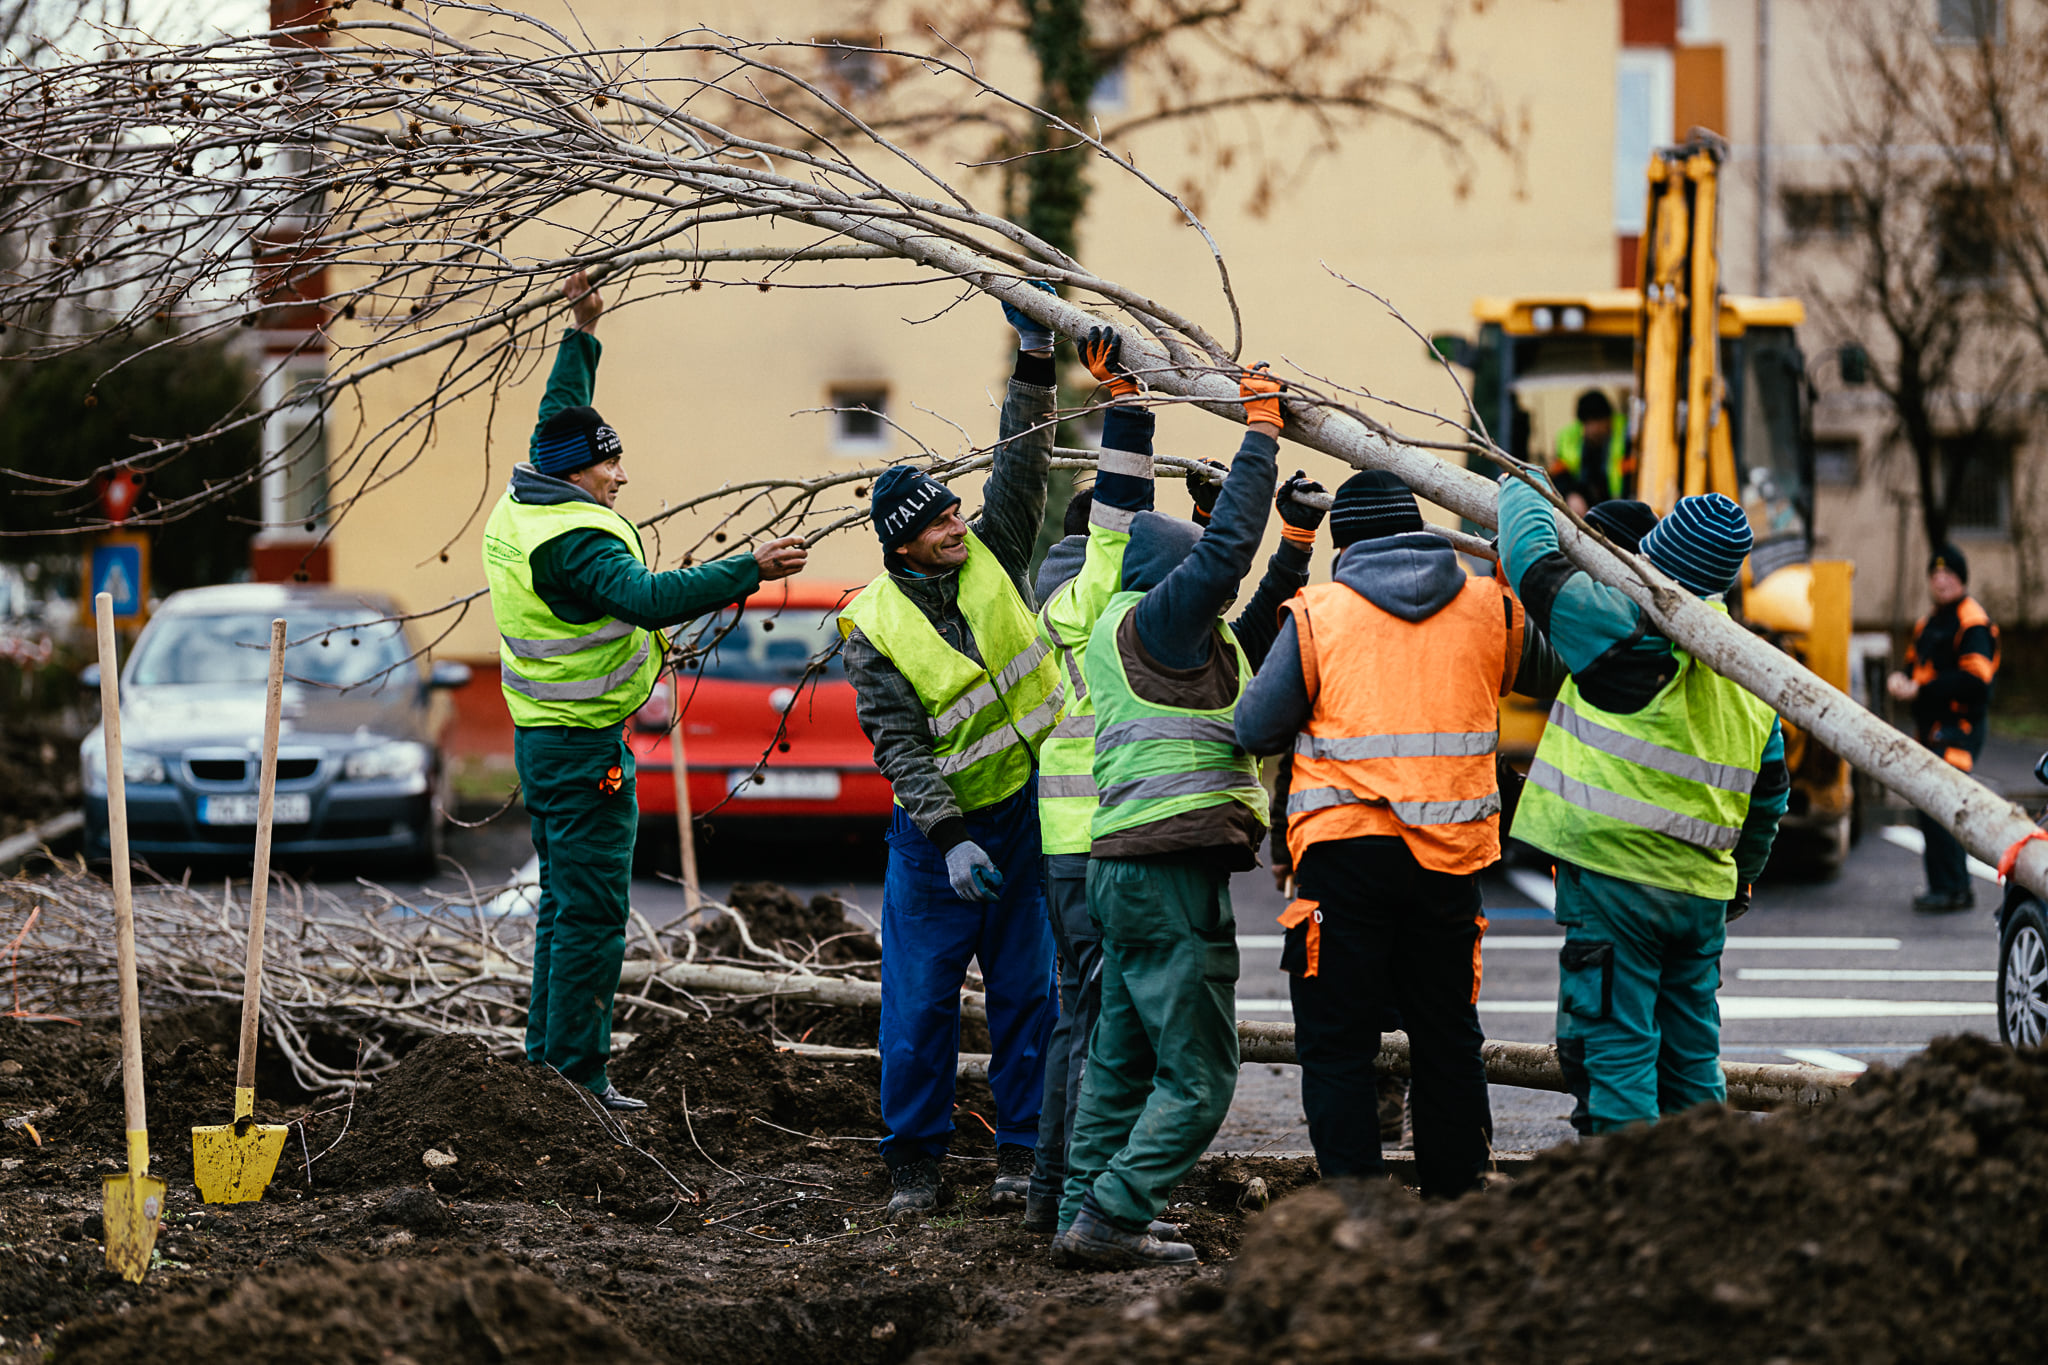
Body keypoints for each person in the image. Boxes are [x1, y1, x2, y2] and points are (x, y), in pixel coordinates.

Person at [482, 271, 807, 1109]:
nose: (622, 474)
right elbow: (649, 599)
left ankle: (546, 1065)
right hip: (583, 747)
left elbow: (559, 412)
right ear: (581, 474)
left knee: (563, 904)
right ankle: (579, 1075)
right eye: (610, 461)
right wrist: (751, 567)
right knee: (590, 912)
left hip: (545, 738)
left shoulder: (529, 502)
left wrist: (583, 331)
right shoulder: (574, 546)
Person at [1027, 331, 1324, 1237]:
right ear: (1173, 578)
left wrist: (1298, 539)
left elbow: (1260, 624)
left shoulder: (1148, 630)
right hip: (1165, 867)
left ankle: (1084, 1207)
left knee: (1117, 1057)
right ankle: (1116, 1214)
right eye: (1193, 565)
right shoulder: (1157, 619)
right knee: (1199, 1076)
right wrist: (1260, 432)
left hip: (1127, 865)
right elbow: (1222, 554)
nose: (1210, 580)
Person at [1235, 471, 1563, 1197]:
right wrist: (1515, 564)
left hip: (1340, 860)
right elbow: (1555, 667)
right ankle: (1457, 1192)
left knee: (1335, 1040)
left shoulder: (1319, 613)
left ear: (1343, 543)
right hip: (1450, 864)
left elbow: (1255, 727)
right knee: (1447, 1034)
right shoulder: (1489, 607)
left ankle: (1355, 1205)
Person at [837, 287, 1063, 1223]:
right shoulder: (874, 626)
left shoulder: (993, 552)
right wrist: (950, 832)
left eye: (955, 515)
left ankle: (1020, 1155)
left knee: (1028, 997)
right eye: (939, 524)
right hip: (941, 839)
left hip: (1030, 812)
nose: (959, 525)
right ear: (904, 545)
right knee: (922, 1006)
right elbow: (898, 740)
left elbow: (1022, 469)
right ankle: (915, 1165)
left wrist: (1036, 361)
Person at [1497, 473, 1789, 1134]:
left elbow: (1531, 564)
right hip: (1700, 896)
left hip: (1616, 881)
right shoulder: (1752, 668)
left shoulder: (1622, 626)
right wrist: (1740, 875)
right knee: (1691, 1062)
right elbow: (1769, 796)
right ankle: (1704, 1196)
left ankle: (1635, 1205)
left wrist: (1523, 483)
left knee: (1618, 1051)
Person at [1888, 543, 2001, 912]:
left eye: (1948, 574)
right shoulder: (1929, 622)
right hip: (1931, 729)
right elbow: (1913, 667)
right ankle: (1945, 886)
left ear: (1961, 579)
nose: (1940, 580)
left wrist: (1921, 688)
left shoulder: (1972, 621)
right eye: (1935, 574)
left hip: (1959, 728)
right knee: (1930, 803)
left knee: (1943, 804)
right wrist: (1900, 681)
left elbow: (1976, 681)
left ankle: (1955, 888)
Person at [1551, 390, 1629, 516]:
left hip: (1619, 508)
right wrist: (1571, 494)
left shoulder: (1626, 437)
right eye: (1590, 423)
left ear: (1609, 420)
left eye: (1599, 421)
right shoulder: (1568, 439)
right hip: (1584, 510)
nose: (1595, 429)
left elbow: (1630, 480)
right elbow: (1558, 478)